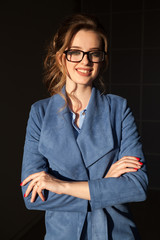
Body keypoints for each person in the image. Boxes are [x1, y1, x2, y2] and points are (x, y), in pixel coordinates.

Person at [21, 13, 148, 240]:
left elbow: (137, 186)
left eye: (94, 54)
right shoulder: (39, 113)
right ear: (61, 57)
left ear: (102, 59)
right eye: (75, 52)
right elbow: (31, 196)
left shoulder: (119, 109)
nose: (85, 61)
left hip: (115, 233)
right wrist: (106, 185)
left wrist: (60, 185)